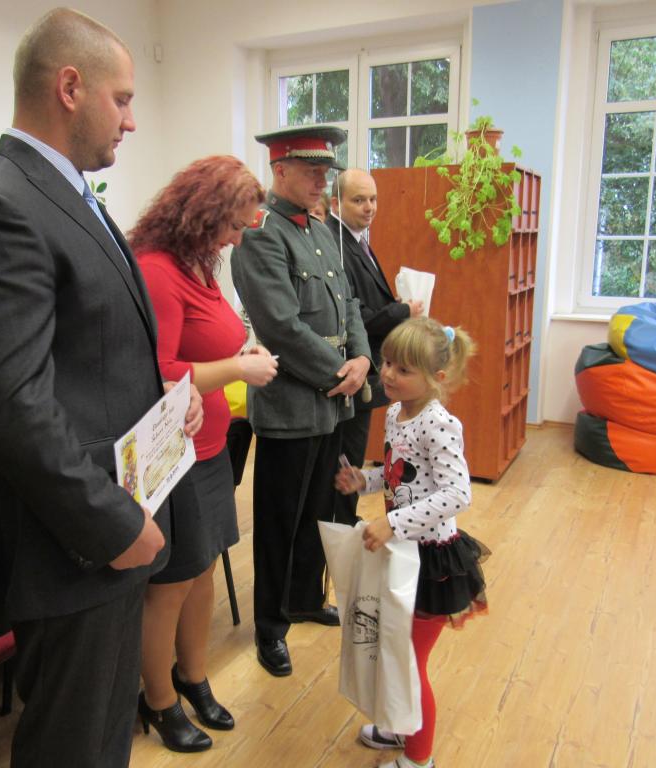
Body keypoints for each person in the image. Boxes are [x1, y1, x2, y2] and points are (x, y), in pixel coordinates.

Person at [0, 9, 201, 767]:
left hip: (108, 530)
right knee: (73, 749)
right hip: (73, 546)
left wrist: (168, 395)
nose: (132, 121)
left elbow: (91, 354)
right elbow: (13, 406)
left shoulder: (71, 197)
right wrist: (110, 525)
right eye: (123, 99)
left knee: (103, 740)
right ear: (70, 88)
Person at [130, 156, 278, 751]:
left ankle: (193, 676)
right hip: (174, 455)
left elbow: (209, 343)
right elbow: (156, 370)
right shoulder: (158, 270)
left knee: (204, 568)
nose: (238, 239)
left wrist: (241, 351)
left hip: (210, 446)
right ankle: (158, 698)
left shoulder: (199, 262)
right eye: (234, 226)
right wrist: (238, 367)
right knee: (170, 585)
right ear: (203, 213)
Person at [231, 125, 372, 677]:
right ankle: (271, 627)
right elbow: (281, 327)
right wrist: (341, 372)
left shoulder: (320, 228)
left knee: (320, 512)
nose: (321, 181)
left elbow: (349, 302)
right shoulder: (261, 233)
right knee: (279, 523)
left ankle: (307, 599)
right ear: (279, 170)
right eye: (311, 171)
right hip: (291, 405)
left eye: (326, 172)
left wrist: (362, 361)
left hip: (335, 401)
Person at [334, 317, 489, 768]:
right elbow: (400, 476)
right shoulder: (396, 413)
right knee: (392, 650)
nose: (387, 374)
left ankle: (419, 758)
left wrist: (393, 523)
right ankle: (399, 724)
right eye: (386, 362)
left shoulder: (439, 424)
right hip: (401, 554)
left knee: (408, 663)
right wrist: (365, 481)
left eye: (402, 369)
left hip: (431, 563)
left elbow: (457, 493)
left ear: (436, 378)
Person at [326, 168, 424, 524]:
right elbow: (355, 315)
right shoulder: (336, 245)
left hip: (366, 369)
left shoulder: (356, 240)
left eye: (373, 199)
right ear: (335, 203)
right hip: (353, 370)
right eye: (359, 200)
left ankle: (344, 524)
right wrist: (401, 311)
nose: (369, 207)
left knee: (352, 455)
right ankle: (340, 529)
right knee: (345, 457)